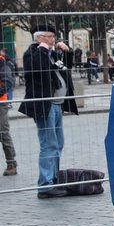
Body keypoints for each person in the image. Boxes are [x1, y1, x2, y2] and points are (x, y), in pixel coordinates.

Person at [19, 25, 78, 198]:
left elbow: (66, 68)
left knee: (58, 143)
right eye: (49, 36)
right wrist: (44, 51)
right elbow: (36, 69)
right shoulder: (33, 53)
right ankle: (45, 185)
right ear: (39, 38)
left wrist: (67, 53)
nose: (53, 39)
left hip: (57, 104)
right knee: (48, 144)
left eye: (53, 36)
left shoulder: (52, 54)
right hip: (44, 105)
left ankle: (53, 178)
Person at [0, 48, 17, 176]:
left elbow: (8, 82)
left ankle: (11, 163)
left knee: (3, 133)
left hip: (0, 103)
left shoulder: (1, 62)